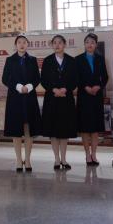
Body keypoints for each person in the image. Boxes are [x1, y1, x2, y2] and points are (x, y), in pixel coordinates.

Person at [2, 35, 42, 172]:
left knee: (28, 129)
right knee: (16, 130)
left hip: (29, 98)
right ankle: (19, 160)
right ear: (16, 45)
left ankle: (28, 160)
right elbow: (5, 78)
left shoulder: (32, 60)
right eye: (19, 42)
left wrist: (29, 86)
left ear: (27, 45)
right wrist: (18, 86)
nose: (22, 44)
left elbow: (37, 78)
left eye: (24, 42)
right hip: (15, 98)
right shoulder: (10, 60)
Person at [41, 34, 78, 170]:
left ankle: (64, 159)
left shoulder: (71, 61)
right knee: (53, 130)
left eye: (60, 42)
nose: (57, 45)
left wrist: (66, 89)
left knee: (64, 130)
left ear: (64, 45)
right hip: (51, 99)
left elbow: (75, 79)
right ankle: (56, 159)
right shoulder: (47, 61)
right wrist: (54, 89)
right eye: (54, 43)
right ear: (52, 45)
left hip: (66, 99)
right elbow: (43, 80)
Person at [76, 33, 109, 167]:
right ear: (84, 44)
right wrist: (85, 87)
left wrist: (98, 86)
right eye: (87, 42)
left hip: (96, 96)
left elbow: (105, 77)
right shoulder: (78, 59)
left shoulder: (100, 59)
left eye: (92, 42)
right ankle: (87, 155)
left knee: (95, 128)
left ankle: (94, 154)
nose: (90, 44)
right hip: (83, 96)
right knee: (85, 128)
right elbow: (76, 77)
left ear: (96, 45)